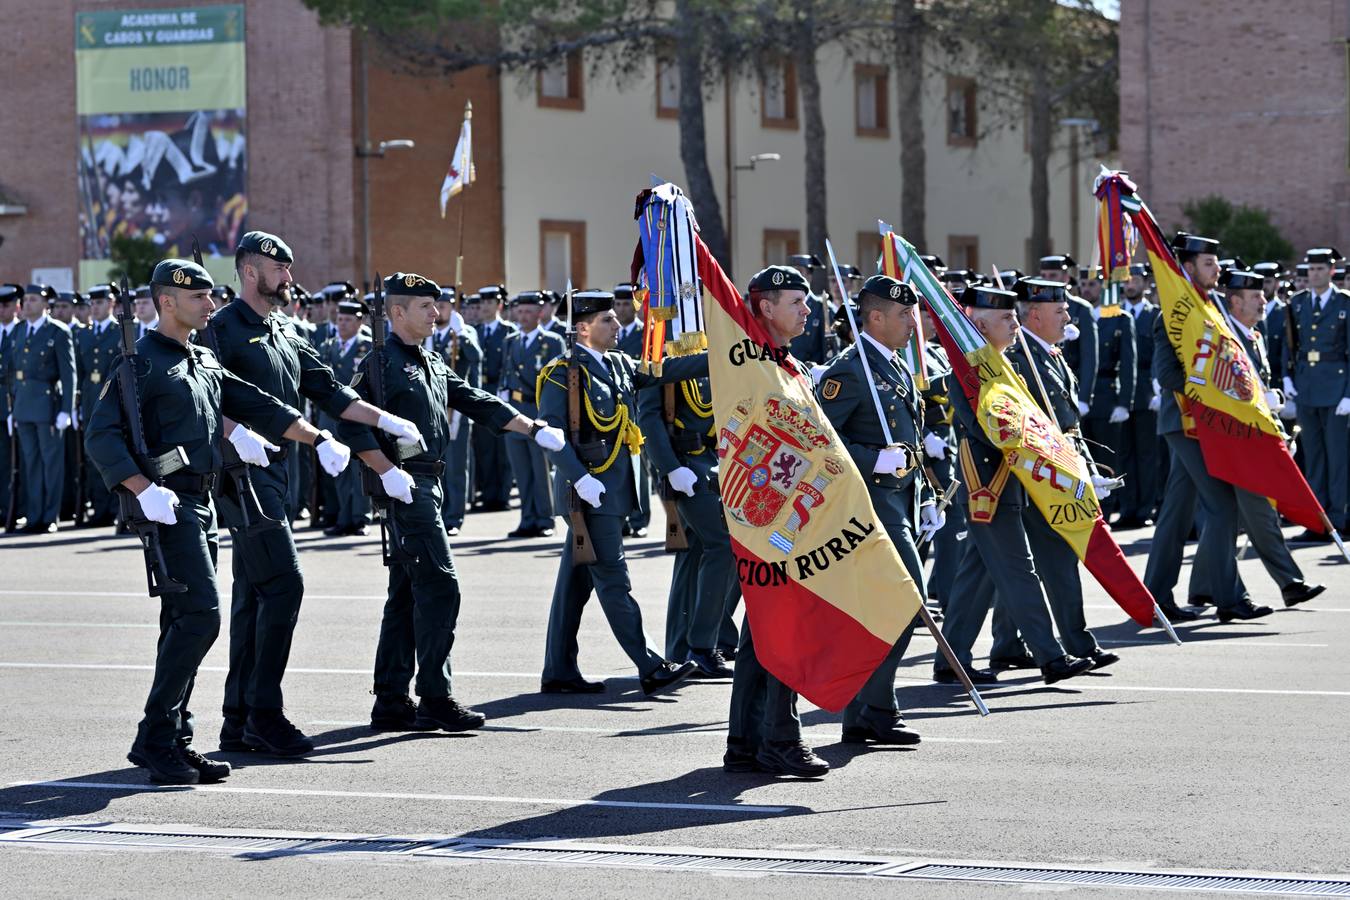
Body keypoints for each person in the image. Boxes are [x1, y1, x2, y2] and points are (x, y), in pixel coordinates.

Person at [86, 258, 341, 785]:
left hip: (201, 505)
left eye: (210, 295)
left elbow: (257, 404)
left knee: (181, 622)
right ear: (166, 302)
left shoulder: (201, 359)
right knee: (201, 617)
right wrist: (142, 489)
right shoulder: (139, 363)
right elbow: (101, 436)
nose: (210, 304)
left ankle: (175, 738)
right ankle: (155, 737)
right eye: (199, 297)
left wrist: (318, 439)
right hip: (166, 504)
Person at [204, 230, 426, 757]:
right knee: (285, 586)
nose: (288, 278)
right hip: (243, 476)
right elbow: (206, 394)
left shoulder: (284, 330)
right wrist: (238, 434)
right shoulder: (221, 329)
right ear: (252, 273)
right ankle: (264, 713)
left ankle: (238, 719)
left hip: (277, 473)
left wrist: (385, 420)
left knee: (253, 598)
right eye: (279, 270)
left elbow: (328, 390)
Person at [340, 272, 567, 733]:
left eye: (436, 306)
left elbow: (478, 401)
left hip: (431, 484)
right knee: (442, 588)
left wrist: (533, 428)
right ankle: (435, 697)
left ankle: (390, 699)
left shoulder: (431, 360)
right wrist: (386, 473)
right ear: (397, 312)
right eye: (425, 307)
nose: (436, 314)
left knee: (406, 592)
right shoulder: (377, 364)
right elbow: (351, 424)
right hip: (405, 486)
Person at [536, 289, 703, 698]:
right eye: (607, 319)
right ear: (583, 327)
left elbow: (666, 371)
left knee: (575, 583)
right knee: (614, 579)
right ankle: (650, 667)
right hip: (590, 495)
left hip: (613, 490)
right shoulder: (562, 373)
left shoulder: (617, 364)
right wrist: (580, 478)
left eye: (614, 317)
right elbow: (551, 436)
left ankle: (558, 670)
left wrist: (725, 358)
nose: (617, 325)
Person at [937, 283, 1096, 686]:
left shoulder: (1008, 365)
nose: (1015, 324)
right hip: (988, 480)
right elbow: (983, 426)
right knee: (1018, 570)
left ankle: (950, 660)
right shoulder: (969, 371)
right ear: (980, 325)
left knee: (978, 573)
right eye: (1006, 319)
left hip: (1015, 477)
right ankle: (1051, 656)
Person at [817, 274, 938, 746]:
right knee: (907, 601)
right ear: (874, 318)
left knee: (887, 607)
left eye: (913, 313)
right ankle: (873, 706)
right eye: (904, 315)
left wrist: (925, 496)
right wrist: (872, 459)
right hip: (869, 506)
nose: (913, 322)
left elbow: (909, 439)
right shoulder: (851, 369)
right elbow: (821, 439)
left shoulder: (895, 365)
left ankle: (866, 710)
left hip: (901, 502)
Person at [722, 265, 830, 778]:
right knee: (784, 627)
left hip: (787, 513)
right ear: (765, 308)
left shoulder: (790, 365)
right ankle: (781, 740)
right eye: (796, 302)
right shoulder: (747, 363)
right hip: (764, 516)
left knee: (761, 632)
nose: (807, 310)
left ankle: (745, 740)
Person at [1144, 234, 1273, 623]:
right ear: (1188, 267)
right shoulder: (1173, 312)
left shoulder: (1209, 307)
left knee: (1177, 512)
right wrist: (1213, 390)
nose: (1218, 270)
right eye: (1209, 264)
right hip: (1183, 422)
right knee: (1221, 505)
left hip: (1205, 424)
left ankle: (1156, 596)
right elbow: (1167, 374)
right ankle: (1228, 597)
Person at [1003, 277, 1120, 669]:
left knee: (1039, 561)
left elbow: (1067, 423)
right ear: (1034, 315)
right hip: (1039, 474)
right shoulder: (1020, 360)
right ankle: (1073, 642)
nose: (1068, 315)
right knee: (1049, 559)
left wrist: (1085, 467)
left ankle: (1014, 642)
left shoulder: (1050, 355)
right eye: (1060, 310)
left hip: (1063, 465)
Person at [1189, 269, 1323, 609]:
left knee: (1229, 515)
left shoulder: (1253, 336)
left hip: (1253, 436)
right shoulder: (1224, 337)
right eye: (1256, 296)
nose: (1264, 300)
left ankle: (1203, 586)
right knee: (1259, 512)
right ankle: (1291, 583)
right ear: (1234, 302)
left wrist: (1273, 418)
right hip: (1237, 439)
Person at [635, 325, 738, 679]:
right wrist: (670, 468)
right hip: (685, 464)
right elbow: (647, 415)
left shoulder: (712, 350)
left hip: (715, 464)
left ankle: (683, 646)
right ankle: (702, 645)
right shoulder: (661, 355)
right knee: (722, 545)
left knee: (693, 556)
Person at [1282, 247, 1350, 542]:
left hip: (1337, 389)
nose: (1315, 274)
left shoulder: (1344, 303)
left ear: (1331, 271)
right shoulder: (1297, 304)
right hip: (1307, 386)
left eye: (1321, 269)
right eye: (1311, 270)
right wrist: (1287, 377)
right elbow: (1290, 344)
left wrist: (1349, 393)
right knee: (1313, 457)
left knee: (1337, 458)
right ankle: (1317, 522)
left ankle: (1339, 519)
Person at [7, 284, 75, 533]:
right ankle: (34, 515)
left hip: (48, 407)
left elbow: (69, 374)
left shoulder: (57, 331)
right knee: (30, 463)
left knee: (51, 464)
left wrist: (66, 410)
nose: (27, 304)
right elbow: (13, 373)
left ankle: (49, 516)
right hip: (24, 405)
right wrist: (12, 407)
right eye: (26, 300)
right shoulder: (18, 330)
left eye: (33, 300)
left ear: (46, 304)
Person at [499, 291, 564, 538]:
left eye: (528, 311)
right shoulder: (511, 341)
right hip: (515, 413)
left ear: (539, 313)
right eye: (520, 311)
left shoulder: (552, 341)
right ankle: (527, 518)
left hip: (539, 412)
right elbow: (506, 373)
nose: (523, 316)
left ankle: (545, 519)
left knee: (541, 470)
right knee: (522, 470)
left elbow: (556, 382)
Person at [1078, 271, 1136, 521]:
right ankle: (1087, 510)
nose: (1086, 289)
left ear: (1103, 287)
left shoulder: (1118, 318)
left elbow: (1128, 362)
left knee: (1106, 459)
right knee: (1081, 458)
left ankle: (1108, 510)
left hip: (1105, 394)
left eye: (1091, 284)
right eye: (1083, 284)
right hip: (1077, 395)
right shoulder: (1076, 317)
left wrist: (1124, 402)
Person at [428, 287, 482, 536]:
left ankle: (454, 518)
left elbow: (475, 357)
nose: (440, 310)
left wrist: (460, 333)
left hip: (456, 408)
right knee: (434, 464)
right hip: (432, 407)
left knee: (457, 466)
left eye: (445, 305)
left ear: (453, 308)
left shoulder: (463, 332)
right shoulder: (427, 333)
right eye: (436, 305)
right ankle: (437, 513)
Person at [317, 298, 373, 537]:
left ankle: (361, 518)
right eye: (339, 319)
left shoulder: (367, 346)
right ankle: (344, 517)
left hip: (357, 415)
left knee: (359, 469)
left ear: (359, 321)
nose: (342, 324)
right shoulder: (327, 346)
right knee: (338, 469)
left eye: (348, 320)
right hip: (332, 416)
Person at [74, 283, 124, 526]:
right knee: (92, 455)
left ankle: (117, 509)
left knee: (113, 454)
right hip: (90, 401)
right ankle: (100, 510)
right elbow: (81, 374)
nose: (94, 307)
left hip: (112, 402)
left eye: (100, 303)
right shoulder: (84, 334)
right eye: (92, 303)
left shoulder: (121, 332)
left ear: (111, 304)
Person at [1115, 264, 1159, 528]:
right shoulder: (1116, 314)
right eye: (1127, 280)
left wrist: (1158, 388)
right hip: (1121, 390)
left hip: (1146, 390)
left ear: (1145, 284)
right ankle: (1128, 507)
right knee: (1124, 453)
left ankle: (1145, 508)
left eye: (1136, 280)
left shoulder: (1154, 315)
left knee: (1146, 453)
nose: (1130, 284)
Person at [472, 285, 517, 512]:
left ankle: (503, 495)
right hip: (481, 390)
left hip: (501, 390)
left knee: (503, 449)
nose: (486, 307)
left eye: (491, 302)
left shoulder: (509, 331)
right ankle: (489, 496)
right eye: (483, 303)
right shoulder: (475, 332)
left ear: (499, 305)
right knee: (485, 446)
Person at [613, 283, 651, 538]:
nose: (621, 308)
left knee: (640, 466)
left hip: (638, 406)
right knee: (619, 465)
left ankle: (640, 519)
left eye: (626, 303)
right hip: (615, 409)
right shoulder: (608, 332)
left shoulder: (645, 333)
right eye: (617, 304)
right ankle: (623, 517)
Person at [1039, 254, 1098, 407]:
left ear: (1065, 278)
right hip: (1044, 384)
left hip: (1071, 384)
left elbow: (1089, 357)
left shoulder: (1081, 309)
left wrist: (1084, 398)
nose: (1047, 279)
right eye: (1044, 276)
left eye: (1053, 275)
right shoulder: (1036, 308)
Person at [0, 284, 22, 527]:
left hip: (14, 402)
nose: (1, 310)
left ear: (17, 306)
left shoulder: (20, 332)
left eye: (6, 305)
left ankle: (16, 508)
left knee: (19, 461)